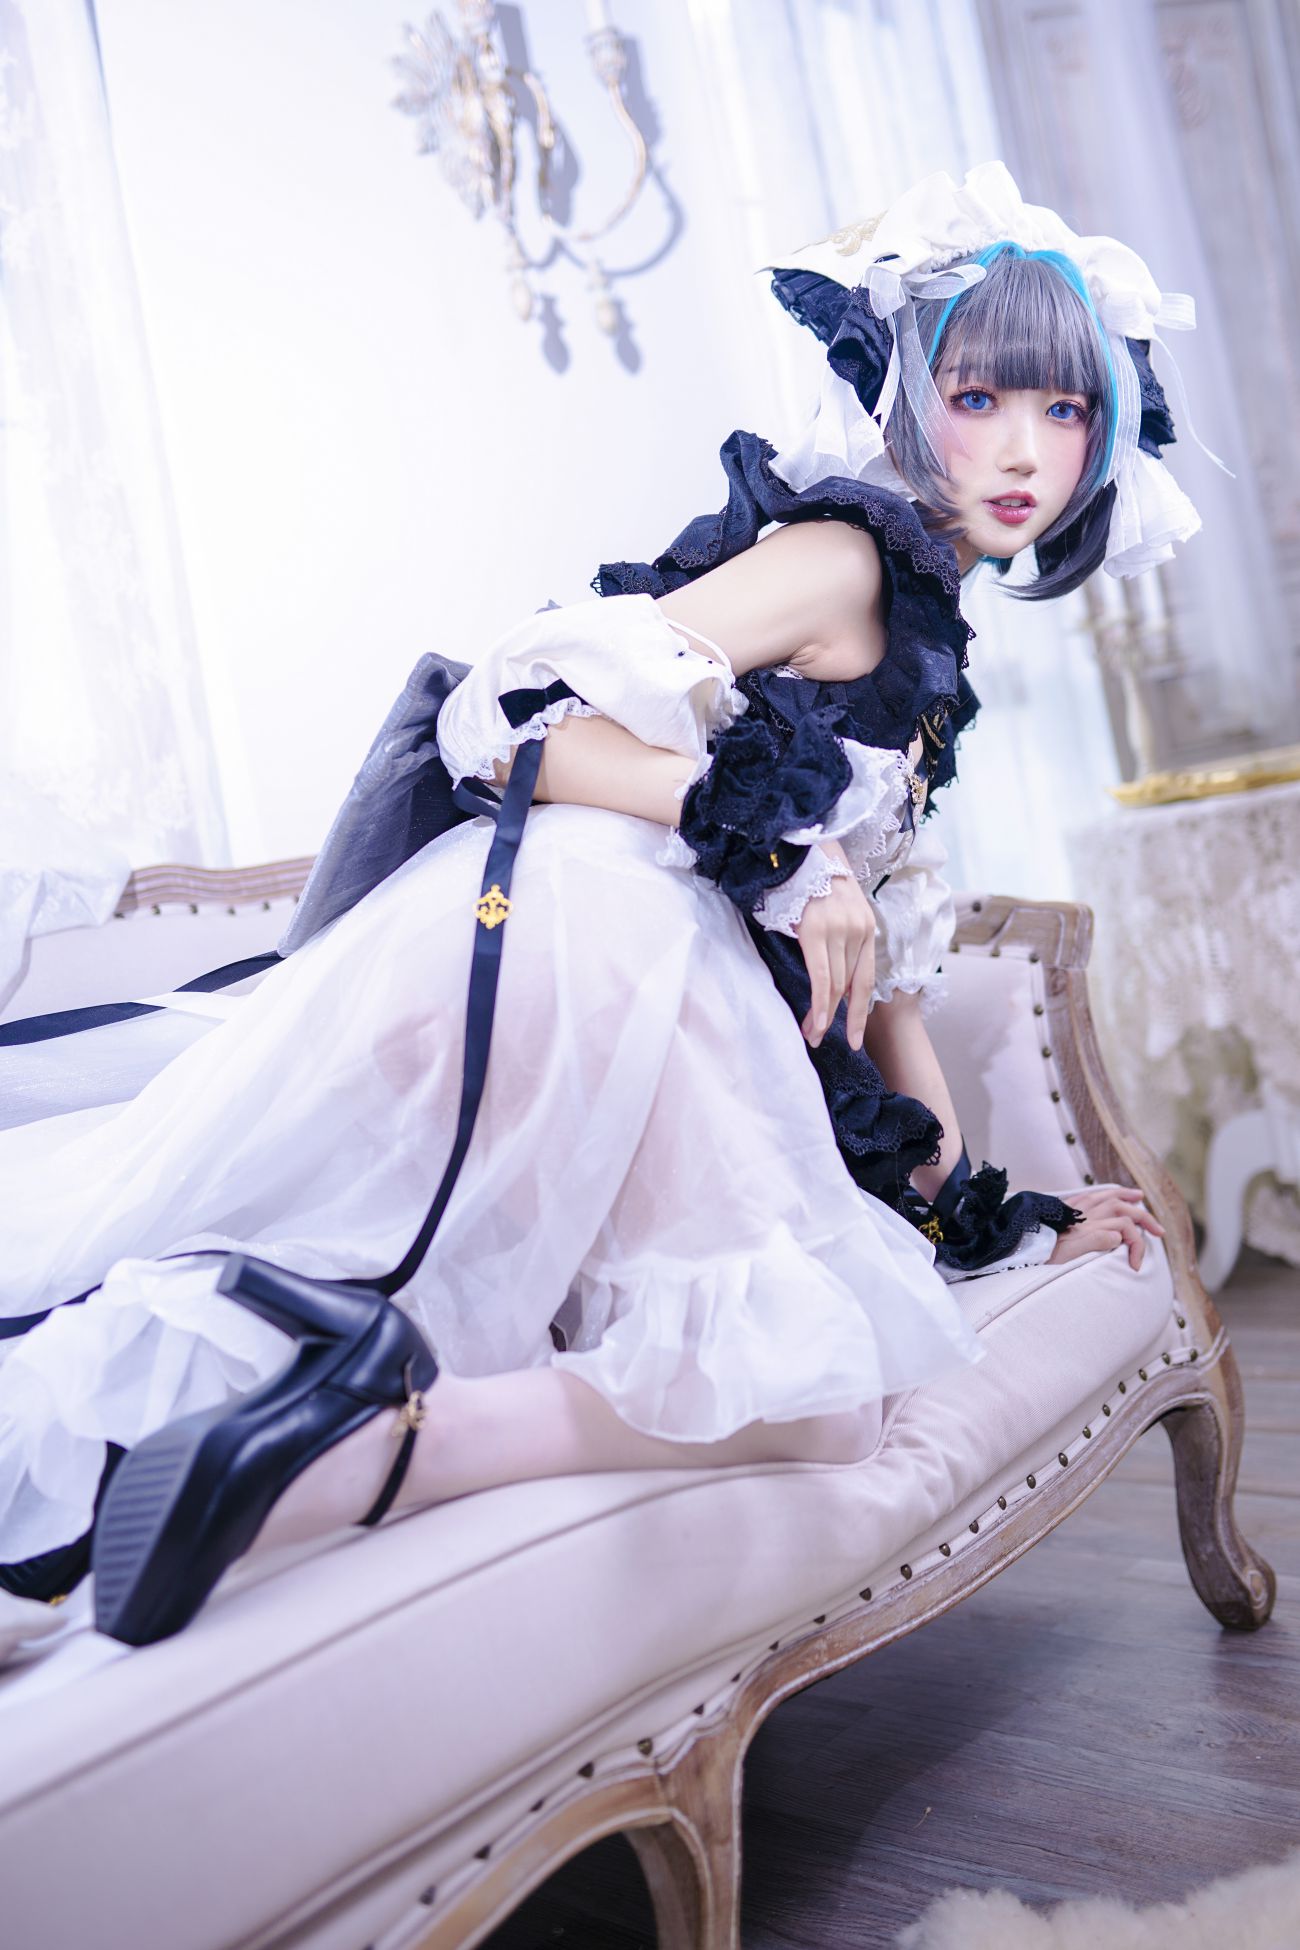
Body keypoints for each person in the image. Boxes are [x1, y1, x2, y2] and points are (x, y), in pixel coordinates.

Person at [0, 161, 1198, 1649]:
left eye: (1066, 410)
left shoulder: (924, 633)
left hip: (653, 966)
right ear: (904, 394)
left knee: (819, 1389)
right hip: (605, 931)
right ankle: (351, 1443)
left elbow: (884, 988)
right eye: (978, 397)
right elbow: (509, 713)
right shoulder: (841, 560)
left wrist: (991, 1213)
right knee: (816, 1387)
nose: (1023, 449)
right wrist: (792, 850)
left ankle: (325, 1447)